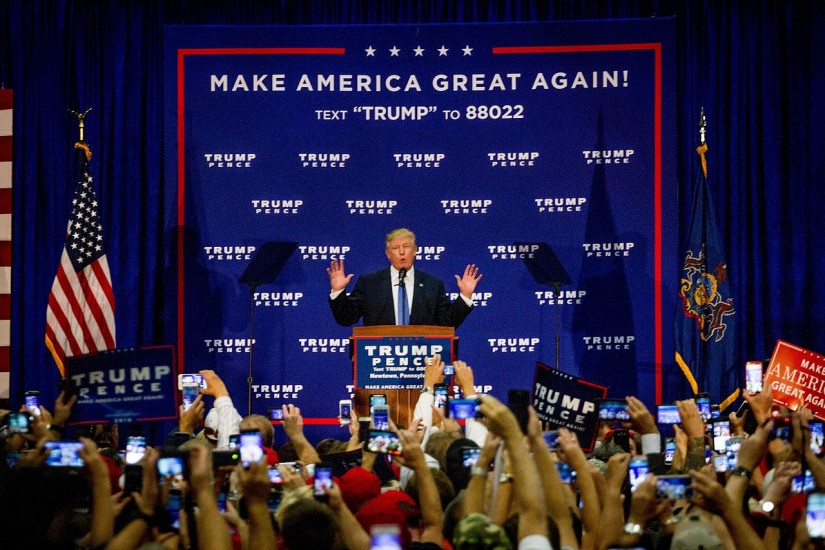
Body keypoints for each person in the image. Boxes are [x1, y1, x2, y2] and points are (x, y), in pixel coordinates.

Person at [327, 228, 482, 328]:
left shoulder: (433, 285)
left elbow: (446, 324)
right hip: (379, 362)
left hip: (421, 362)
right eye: (395, 248)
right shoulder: (369, 283)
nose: (401, 252)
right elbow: (346, 319)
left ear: (415, 251)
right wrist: (338, 291)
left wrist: (465, 296)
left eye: (406, 247)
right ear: (388, 254)